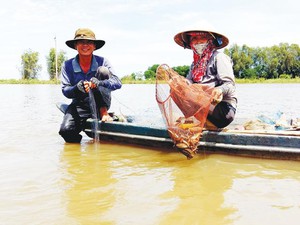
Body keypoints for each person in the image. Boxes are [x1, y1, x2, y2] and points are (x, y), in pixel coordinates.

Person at [59, 28, 122, 143]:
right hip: (79, 105)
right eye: (81, 42)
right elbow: (65, 90)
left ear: (94, 46)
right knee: (65, 131)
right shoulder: (67, 65)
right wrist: (77, 88)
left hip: (101, 105)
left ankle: (104, 113)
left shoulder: (103, 61)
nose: (85, 45)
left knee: (103, 71)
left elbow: (117, 82)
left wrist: (100, 83)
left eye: (89, 42)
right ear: (75, 46)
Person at [174, 29, 237, 129]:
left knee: (197, 88)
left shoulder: (219, 57)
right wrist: (182, 83)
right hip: (204, 107)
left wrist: (220, 90)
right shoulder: (195, 63)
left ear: (211, 40)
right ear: (190, 43)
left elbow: (230, 85)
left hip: (222, 111)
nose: (198, 41)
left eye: (202, 37)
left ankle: (200, 122)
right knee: (177, 88)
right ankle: (200, 121)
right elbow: (189, 81)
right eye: (194, 38)